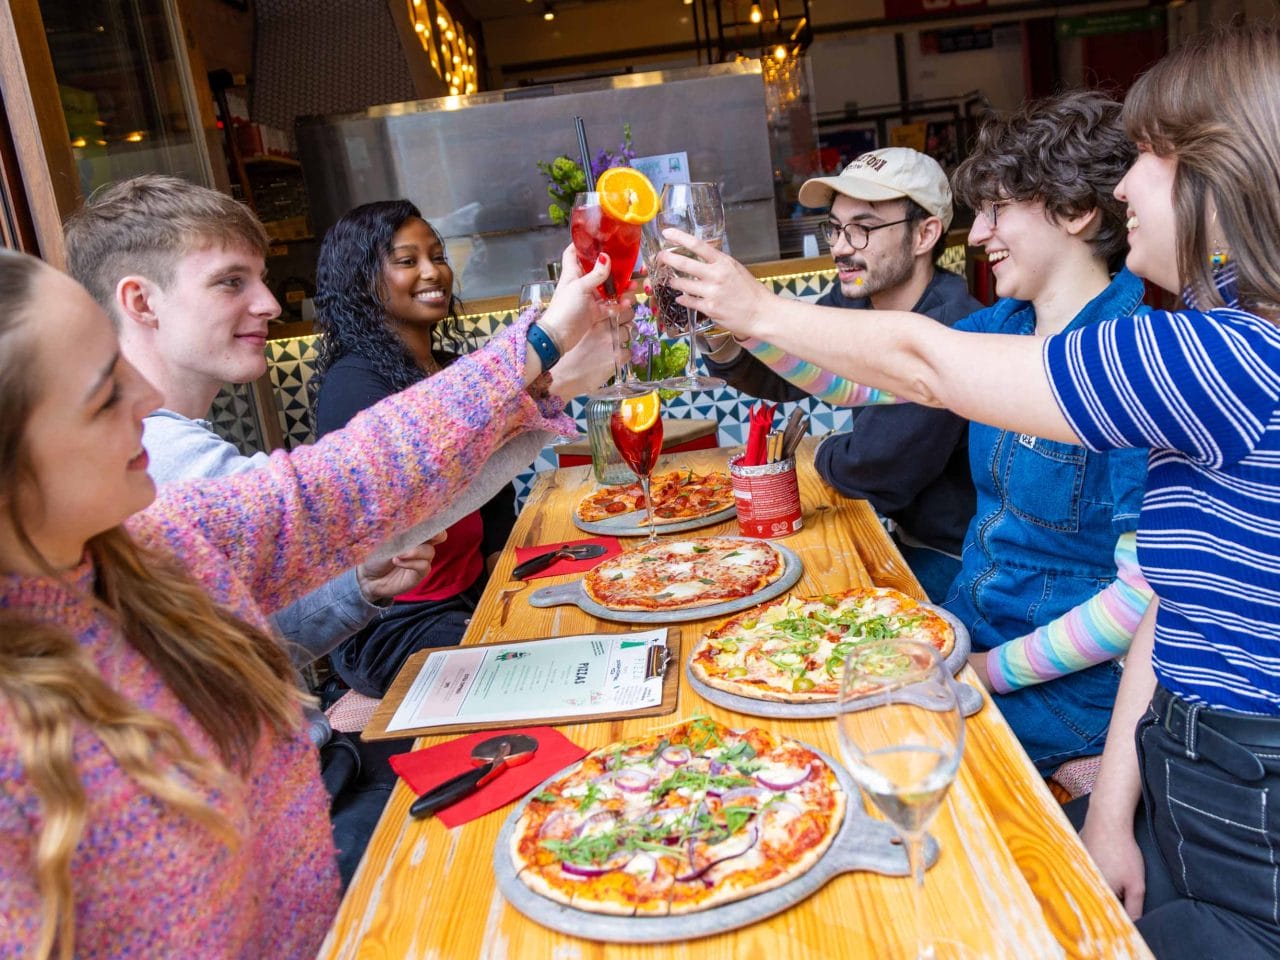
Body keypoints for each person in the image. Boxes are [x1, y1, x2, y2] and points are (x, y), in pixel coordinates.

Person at [662, 23, 1280, 957]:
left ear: (1222, 171)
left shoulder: (1216, 356)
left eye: (1152, 154)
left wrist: (754, 304)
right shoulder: (1190, 341)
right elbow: (1167, 598)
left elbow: (925, 364)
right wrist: (742, 328)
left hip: (1229, 797)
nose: (1125, 185)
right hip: (1178, 758)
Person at [0, 243, 613, 958]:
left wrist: (547, 338)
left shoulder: (159, 545)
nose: (141, 397)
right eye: (104, 393)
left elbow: (354, 475)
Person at [684, 91, 1155, 775]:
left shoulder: (1138, 358)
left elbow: (1140, 598)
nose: (980, 235)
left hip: (1058, 692)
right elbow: (865, 382)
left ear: (1077, 211)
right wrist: (744, 323)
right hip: (965, 630)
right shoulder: (1002, 326)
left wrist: (989, 671)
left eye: (997, 210)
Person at [62, 175, 543, 673]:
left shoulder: (169, 442)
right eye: (231, 281)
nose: (270, 304)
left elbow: (232, 647)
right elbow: (360, 487)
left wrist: (358, 585)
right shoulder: (154, 455)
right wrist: (544, 352)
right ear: (142, 302)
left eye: (260, 278)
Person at [703, 148, 980, 601]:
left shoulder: (952, 325)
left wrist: (822, 450)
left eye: (863, 229)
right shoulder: (858, 297)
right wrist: (716, 329)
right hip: (896, 533)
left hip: (953, 562)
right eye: (834, 228)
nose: (840, 247)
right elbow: (785, 374)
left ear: (924, 234)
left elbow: (874, 469)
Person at [309, 200, 518, 697]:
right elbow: (393, 505)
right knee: (515, 677)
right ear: (363, 282)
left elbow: (494, 488)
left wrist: (500, 565)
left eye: (437, 256)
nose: (433, 272)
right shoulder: (353, 384)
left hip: (468, 591)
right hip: (396, 623)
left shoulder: (449, 367)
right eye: (408, 261)